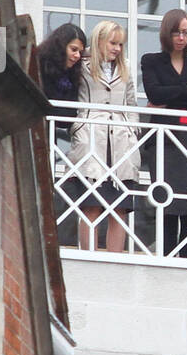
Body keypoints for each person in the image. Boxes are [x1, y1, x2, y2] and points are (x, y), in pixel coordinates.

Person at [140, 8, 187, 259]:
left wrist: (173, 93)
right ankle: (166, 256)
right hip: (166, 140)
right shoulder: (151, 60)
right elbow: (154, 94)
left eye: (186, 32)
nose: (182, 37)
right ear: (167, 33)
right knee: (167, 201)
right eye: (177, 32)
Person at [66, 20, 139, 253]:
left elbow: (131, 104)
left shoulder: (125, 67)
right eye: (113, 43)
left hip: (120, 141)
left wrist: (133, 131)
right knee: (92, 206)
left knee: (120, 207)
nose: (117, 48)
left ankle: (116, 258)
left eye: (120, 44)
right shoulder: (83, 65)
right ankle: (90, 255)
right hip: (91, 137)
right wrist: (77, 127)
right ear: (99, 41)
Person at [36, 22, 87, 246]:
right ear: (60, 46)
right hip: (33, 127)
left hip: (49, 134)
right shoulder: (39, 62)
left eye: (80, 52)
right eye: (73, 49)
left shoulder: (72, 75)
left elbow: (68, 115)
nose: (77, 56)